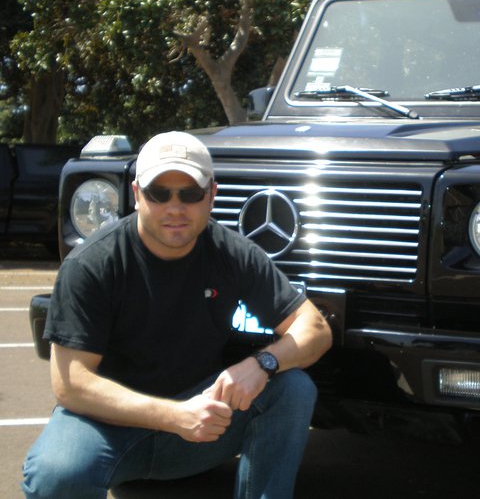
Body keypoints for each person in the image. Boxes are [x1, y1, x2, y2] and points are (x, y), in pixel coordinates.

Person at [22, 131, 333, 499]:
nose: (175, 208)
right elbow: (71, 384)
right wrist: (175, 416)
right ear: (137, 194)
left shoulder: (232, 253)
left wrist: (262, 363)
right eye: (159, 193)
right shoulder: (92, 264)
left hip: (201, 425)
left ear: (211, 195)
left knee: (292, 388)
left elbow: (315, 329)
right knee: (56, 474)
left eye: (190, 194)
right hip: (108, 427)